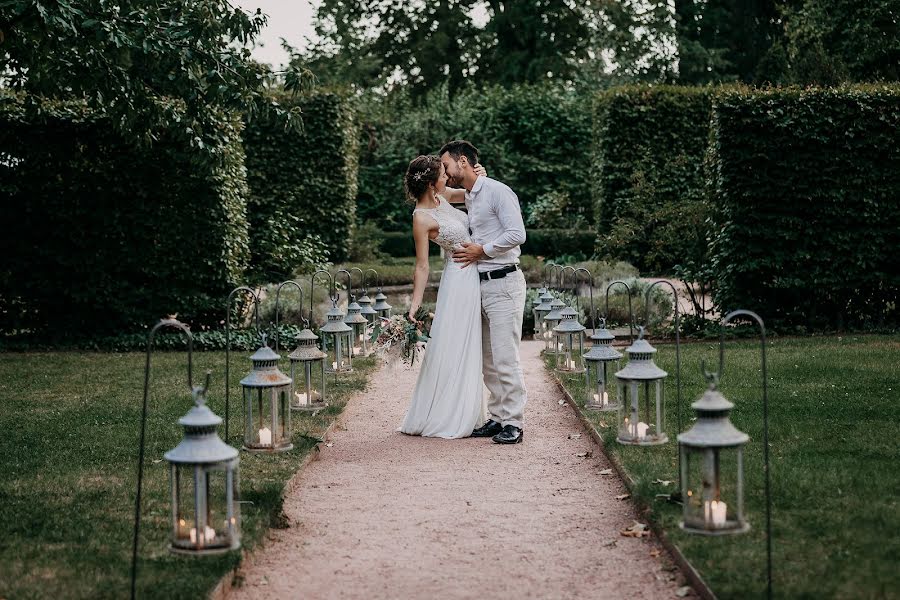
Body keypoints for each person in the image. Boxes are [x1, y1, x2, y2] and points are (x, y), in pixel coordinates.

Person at [442, 140, 527, 445]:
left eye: (447, 165)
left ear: (462, 161)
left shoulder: (497, 191)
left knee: (506, 357)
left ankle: (515, 423)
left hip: (505, 283)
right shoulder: (470, 194)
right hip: (481, 286)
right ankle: (498, 417)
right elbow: (440, 192)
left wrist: (483, 251)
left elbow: (518, 234)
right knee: (489, 360)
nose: (445, 171)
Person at [398, 155, 488, 438]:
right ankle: (448, 413)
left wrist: (480, 176)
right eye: (442, 175)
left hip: (471, 274)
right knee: (454, 343)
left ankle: (467, 409)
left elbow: (474, 191)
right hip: (458, 280)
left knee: (466, 343)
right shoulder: (421, 218)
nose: (447, 177)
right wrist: (414, 306)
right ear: (429, 182)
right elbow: (422, 266)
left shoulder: (444, 196)